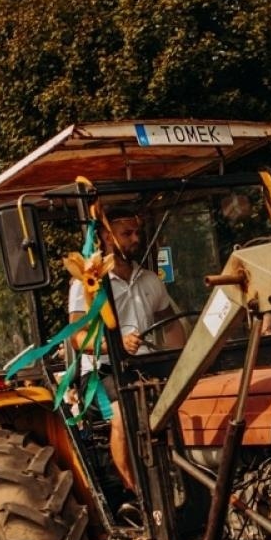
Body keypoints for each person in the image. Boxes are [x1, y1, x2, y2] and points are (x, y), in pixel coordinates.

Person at [68, 204, 187, 492]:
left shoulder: (149, 280)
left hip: (144, 367)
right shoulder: (88, 284)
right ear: (108, 237)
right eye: (127, 233)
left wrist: (182, 361)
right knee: (124, 414)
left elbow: (170, 326)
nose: (136, 239)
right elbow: (77, 337)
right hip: (102, 372)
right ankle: (138, 495)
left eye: (137, 232)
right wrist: (115, 346)